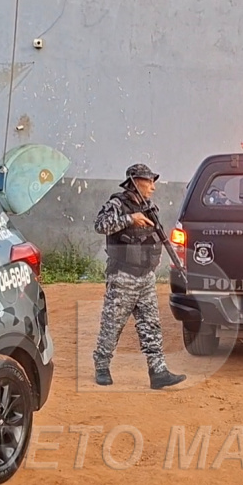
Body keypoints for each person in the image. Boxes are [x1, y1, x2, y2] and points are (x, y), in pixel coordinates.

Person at [92, 164, 187, 389]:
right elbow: (100, 225)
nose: (153, 187)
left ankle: (158, 372)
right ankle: (102, 366)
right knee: (112, 325)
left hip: (146, 277)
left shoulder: (149, 207)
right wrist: (129, 219)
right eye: (149, 181)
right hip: (123, 276)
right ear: (135, 182)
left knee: (151, 326)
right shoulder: (117, 204)